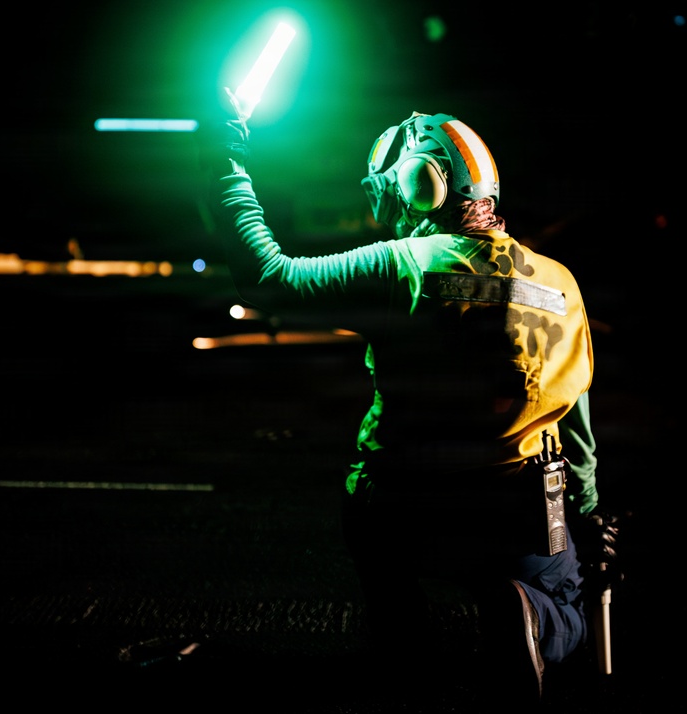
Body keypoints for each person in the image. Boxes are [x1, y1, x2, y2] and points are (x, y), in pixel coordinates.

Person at [198, 91, 620, 703]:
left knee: (372, 523)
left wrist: (226, 161)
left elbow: (267, 276)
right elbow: (576, 428)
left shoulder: (402, 266)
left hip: (399, 506)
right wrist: (583, 515)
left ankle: (404, 659)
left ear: (422, 186)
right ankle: (531, 612)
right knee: (568, 608)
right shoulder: (561, 282)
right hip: (517, 509)